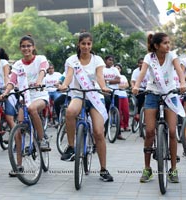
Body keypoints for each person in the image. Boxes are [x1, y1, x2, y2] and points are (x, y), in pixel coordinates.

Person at [58, 32, 114, 182]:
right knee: (70, 112)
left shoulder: (97, 60)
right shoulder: (72, 60)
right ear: (79, 45)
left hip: (95, 95)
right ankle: (71, 147)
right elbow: (69, 76)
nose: (86, 47)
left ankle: (103, 169)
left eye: (89, 44)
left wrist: (103, 87)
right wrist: (64, 85)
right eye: (83, 44)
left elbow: (100, 77)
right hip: (78, 95)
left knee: (98, 132)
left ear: (91, 45)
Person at [132, 32, 186, 183]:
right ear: (156, 46)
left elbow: (179, 71)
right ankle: (147, 169)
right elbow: (142, 73)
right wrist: (136, 86)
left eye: (169, 42)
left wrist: (182, 83)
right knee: (149, 132)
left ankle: (173, 169)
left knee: (173, 132)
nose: (168, 45)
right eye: (165, 43)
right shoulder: (149, 57)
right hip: (152, 94)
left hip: (170, 94)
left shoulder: (172, 55)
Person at [0, 35, 51, 176]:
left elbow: (42, 70)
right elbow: (12, 81)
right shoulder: (17, 65)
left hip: (40, 96)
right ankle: (18, 166)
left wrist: (39, 81)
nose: (26, 48)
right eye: (23, 46)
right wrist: (5, 92)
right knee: (17, 129)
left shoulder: (41, 59)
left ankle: (42, 140)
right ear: (20, 48)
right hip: (24, 98)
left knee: (32, 108)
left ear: (33, 47)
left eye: (29, 46)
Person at [103, 55, 125, 140]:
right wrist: (112, 81)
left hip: (115, 92)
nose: (111, 61)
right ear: (105, 61)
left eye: (112, 60)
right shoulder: (102, 69)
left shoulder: (115, 69)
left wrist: (107, 81)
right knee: (106, 112)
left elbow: (118, 80)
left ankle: (118, 133)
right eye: (109, 60)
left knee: (117, 112)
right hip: (105, 92)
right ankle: (104, 132)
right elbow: (101, 79)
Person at [114, 63, 130, 132]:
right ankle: (121, 126)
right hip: (117, 95)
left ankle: (126, 125)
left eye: (118, 68)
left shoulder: (123, 77)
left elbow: (127, 85)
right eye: (116, 68)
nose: (117, 69)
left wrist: (119, 87)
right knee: (119, 112)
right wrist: (120, 87)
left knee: (126, 111)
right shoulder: (112, 77)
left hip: (124, 95)